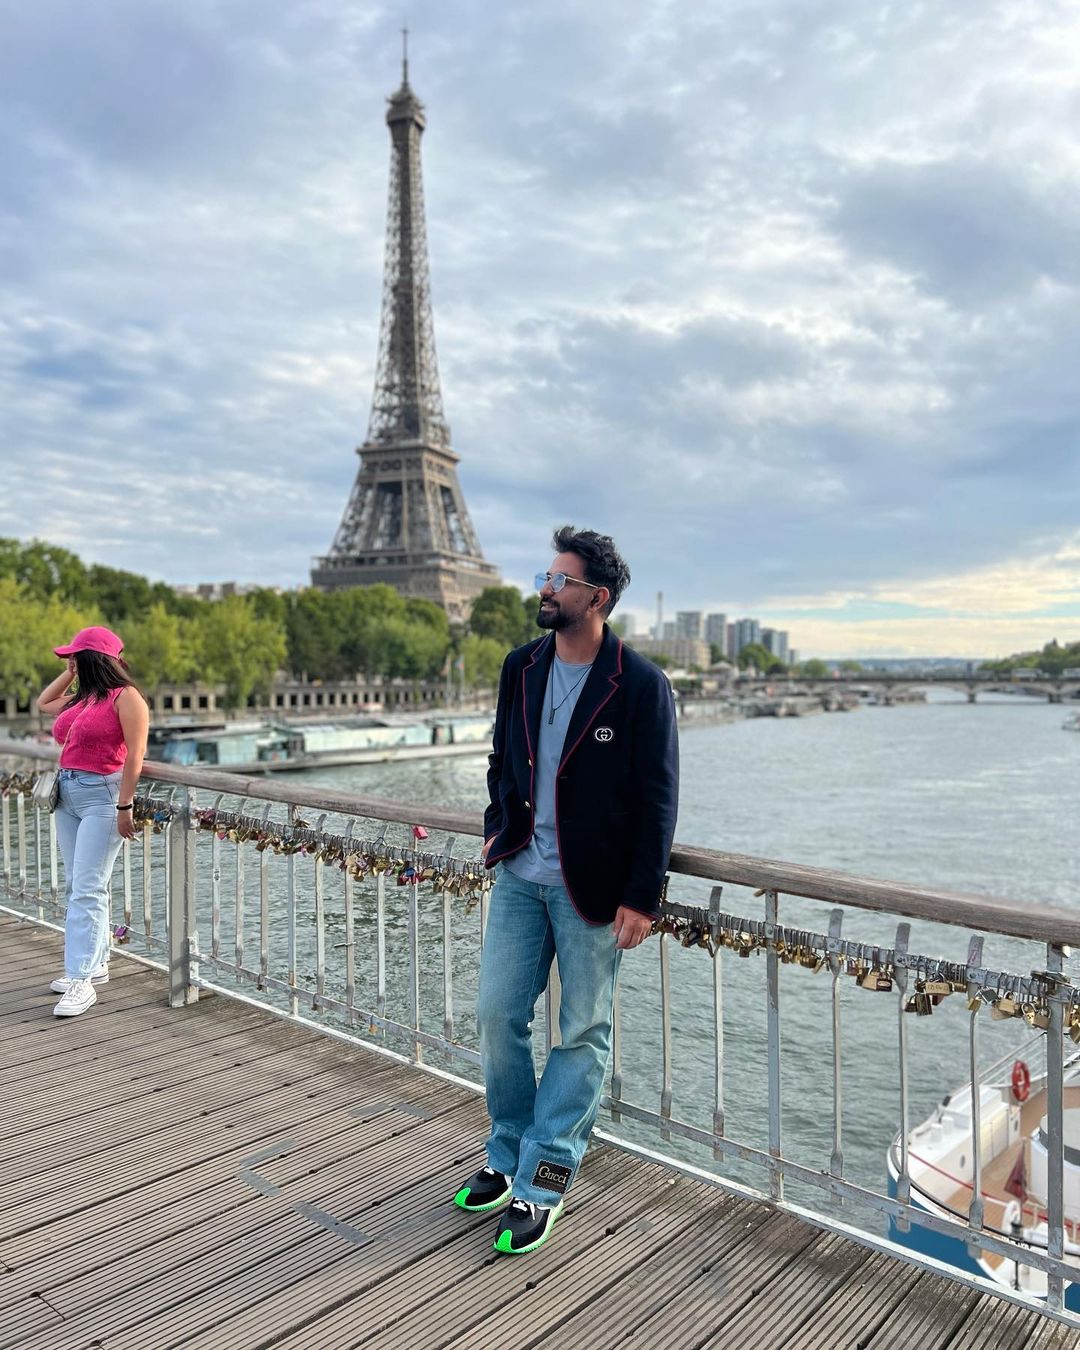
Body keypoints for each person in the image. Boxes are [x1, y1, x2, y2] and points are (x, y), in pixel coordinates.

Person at [454, 526, 679, 1254]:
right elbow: (502, 758)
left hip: (596, 890)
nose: (546, 589)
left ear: (597, 598)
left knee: (582, 1031)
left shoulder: (639, 684)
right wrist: (497, 829)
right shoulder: (521, 666)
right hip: (521, 875)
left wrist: (642, 895)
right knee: (496, 1016)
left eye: (561, 580)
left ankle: (545, 1177)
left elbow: (657, 799)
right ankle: (507, 1150)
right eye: (545, 577)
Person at [36, 626, 149, 1017]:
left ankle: (81, 978)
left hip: (103, 798)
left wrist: (124, 806)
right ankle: (95, 963)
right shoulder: (85, 697)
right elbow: (44, 703)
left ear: (93, 659)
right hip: (67, 794)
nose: (72, 662)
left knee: (87, 887)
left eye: (76, 657)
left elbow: (135, 756)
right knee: (79, 885)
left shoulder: (126, 697)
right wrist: (69, 673)